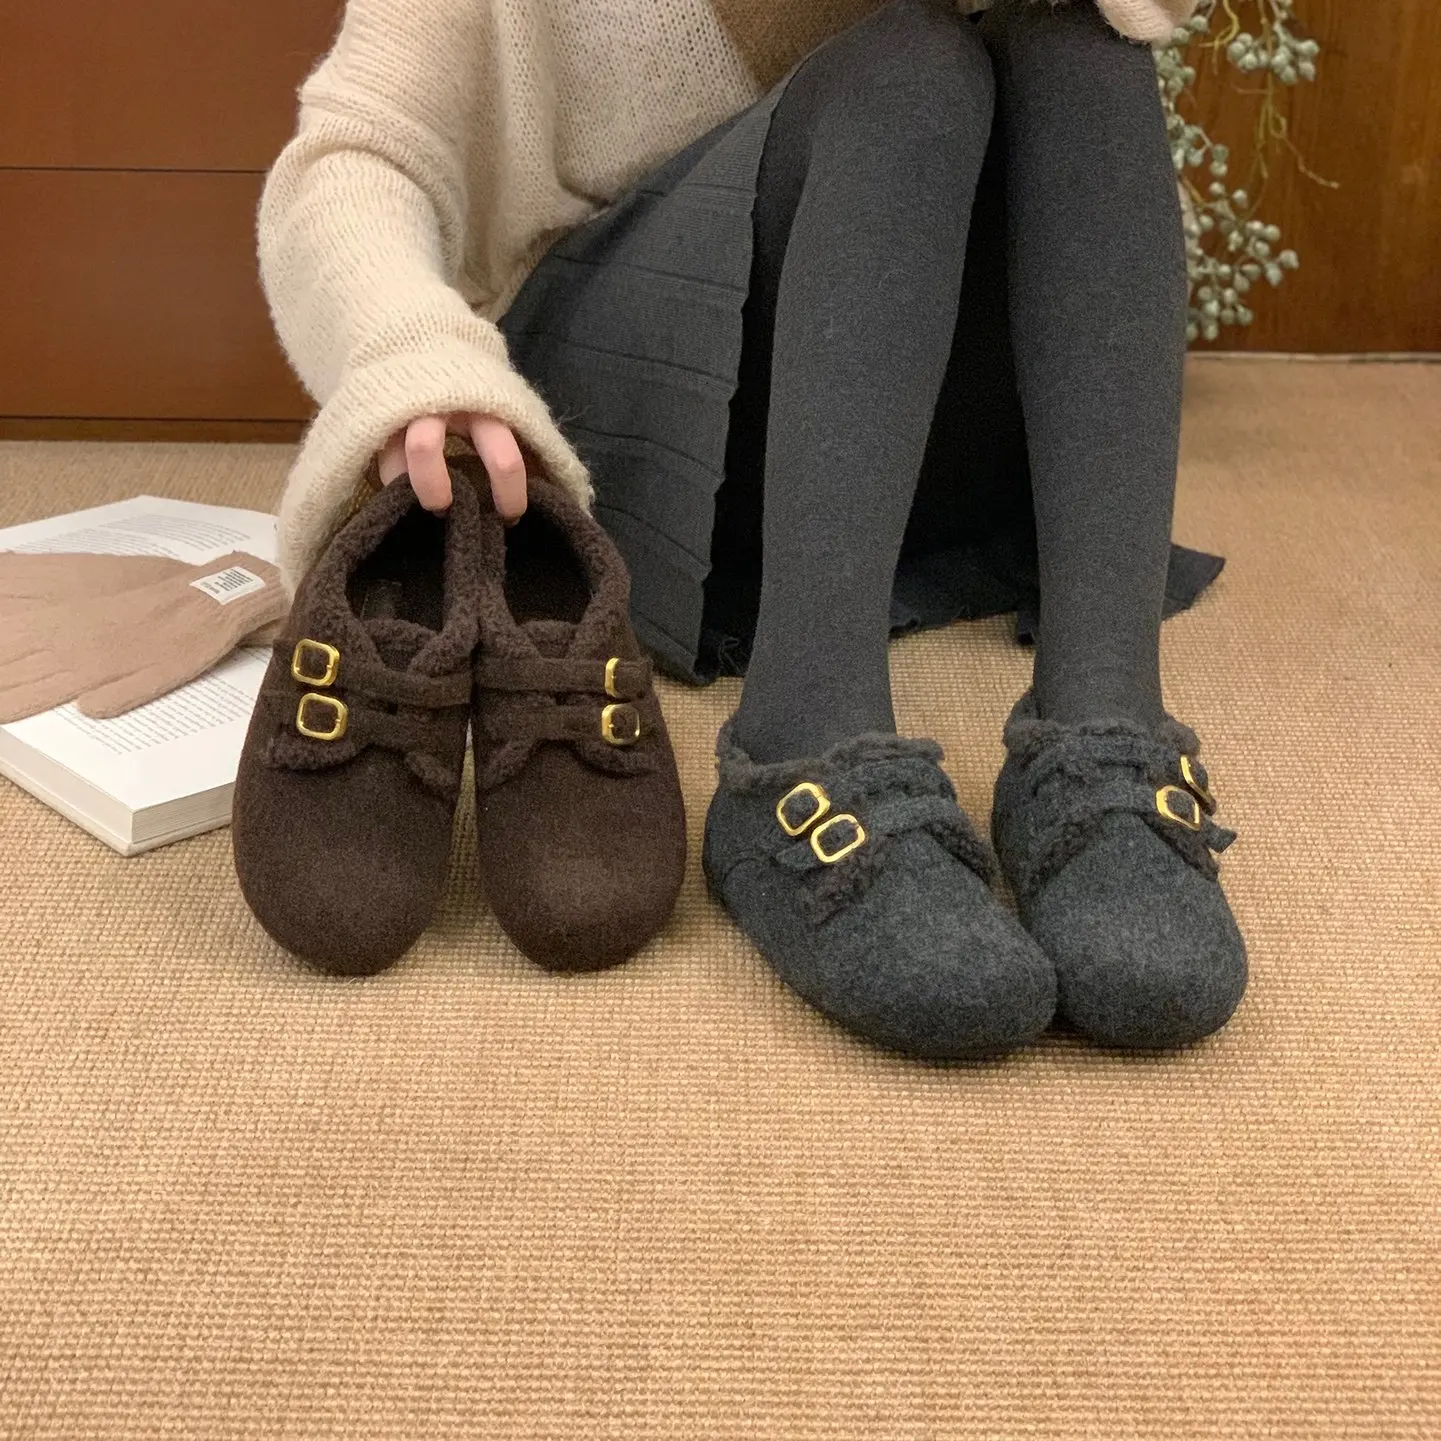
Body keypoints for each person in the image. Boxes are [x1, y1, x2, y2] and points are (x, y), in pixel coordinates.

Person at [258, 0, 1248, 1059]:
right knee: (909, 72)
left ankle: (1102, 719)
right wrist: (410, 350)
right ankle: (803, 732)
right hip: (646, 433)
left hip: (895, 426)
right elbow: (355, 153)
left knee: (1081, 41)